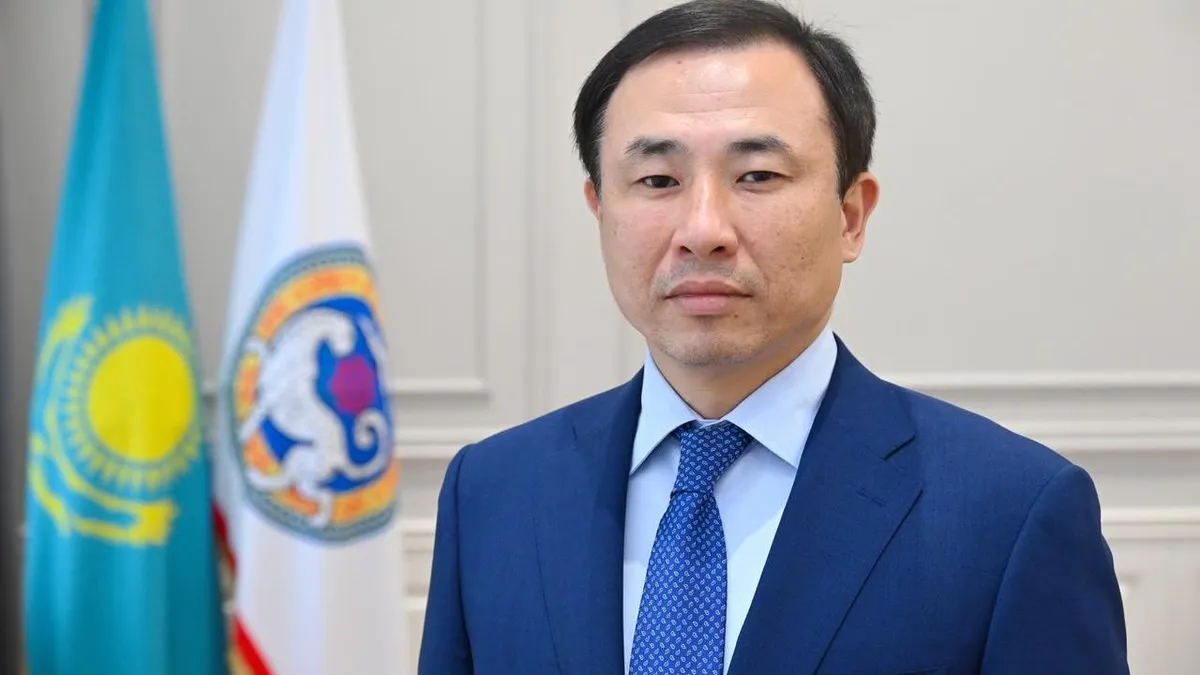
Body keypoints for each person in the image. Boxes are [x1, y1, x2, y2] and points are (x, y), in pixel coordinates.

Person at [418, 0, 1130, 673]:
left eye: (756, 174)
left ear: (851, 216)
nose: (703, 230)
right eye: (658, 179)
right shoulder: (493, 491)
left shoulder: (1010, 511)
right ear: (600, 210)